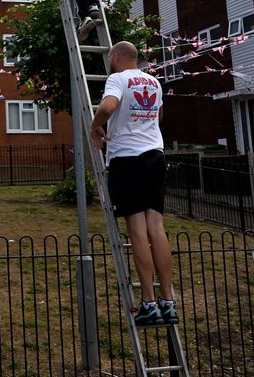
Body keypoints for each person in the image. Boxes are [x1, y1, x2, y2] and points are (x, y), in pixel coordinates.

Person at [89, 41, 176, 326]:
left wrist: (95, 126)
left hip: (128, 159)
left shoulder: (117, 78)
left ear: (115, 57)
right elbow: (159, 116)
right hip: (155, 156)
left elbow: (108, 105)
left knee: (137, 231)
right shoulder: (153, 80)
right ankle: (168, 301)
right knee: (157, 229)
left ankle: (149, 303)